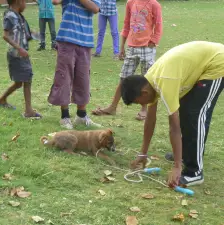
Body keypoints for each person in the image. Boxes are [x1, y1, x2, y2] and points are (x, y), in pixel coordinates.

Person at [121, 41, 224, 187]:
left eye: (139, 102)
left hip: (217, 63)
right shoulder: (150, 82)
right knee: (187, 112)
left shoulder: (165, 82)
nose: (142, 105)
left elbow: (174, 127)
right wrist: (143, 154)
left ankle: (194, 172)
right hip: (197, 66)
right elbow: (150, 122)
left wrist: (176, 167)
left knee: (194, 114)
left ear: (144, 93)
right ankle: (185, 155)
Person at [92, 0, 162, 121]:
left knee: (147, 79)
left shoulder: (154, 4)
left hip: (147, 47)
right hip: (132, 47)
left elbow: (159, 24)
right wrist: (122, 46)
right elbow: (126, 24)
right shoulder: (130, 2)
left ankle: (144, 109)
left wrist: (153, 41)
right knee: (124, 77)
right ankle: (112, 107)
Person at [48, 0, 101, 129]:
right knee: (64, 78)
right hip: (67, 40)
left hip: (85, 41)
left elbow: (95, 8)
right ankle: (64, 117)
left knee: (83, 79)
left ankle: (81, 115)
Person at [0, 0, 42, 119]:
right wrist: (19, 48)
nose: (26, 4)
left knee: (19, 83)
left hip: (21, 54)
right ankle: (29, 111)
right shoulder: (10, 15)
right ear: (18, 1)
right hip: (16, 54)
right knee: (27, 79)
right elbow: (5, 35)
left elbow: (21, 33)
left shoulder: (18, 16)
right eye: (25, 2)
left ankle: (2, 99)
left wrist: (35, 35)